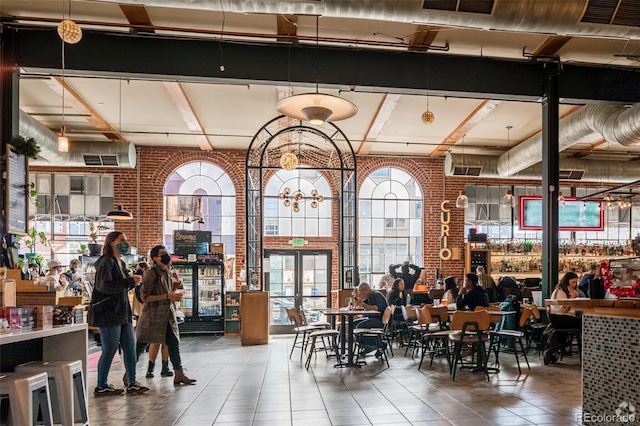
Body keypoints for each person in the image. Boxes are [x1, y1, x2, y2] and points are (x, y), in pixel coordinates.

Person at [88, 231, 148, 396]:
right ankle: (101, 385)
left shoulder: (120, 263)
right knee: (110, 348)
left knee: (130, 347)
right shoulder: (106, 263)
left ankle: (132, 381)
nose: (126, 243)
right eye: (122, 240)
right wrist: (130, 281)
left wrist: (132, 282)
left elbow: (119, 286)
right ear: (112, 242)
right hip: (109, 313)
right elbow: (105, 287)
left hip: (122, 312)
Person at [136, 245, 195, 386]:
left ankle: (179, 374)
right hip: (153, 316)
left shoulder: (167, 272)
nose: (166, 256)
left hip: (167, 316)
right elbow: (144, 297)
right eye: (162, 254)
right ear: (155, 258)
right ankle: (129, 374)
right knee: (140, 346)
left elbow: (172, 288)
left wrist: (176, 285)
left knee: (173, 343)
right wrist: (167, 296)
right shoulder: (151, 273)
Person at [354, 282, 389, 357]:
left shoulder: (376, 295)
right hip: (373, 318)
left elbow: (376, 309)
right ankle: (364, 345)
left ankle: (374, 345)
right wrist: (357, 296)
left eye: (362, 293)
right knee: (353, 324)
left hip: (380, 320)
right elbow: (363, 305)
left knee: (359, 327)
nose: (362, 295)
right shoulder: (370, 296)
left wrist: (362, 304)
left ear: (366, 290)